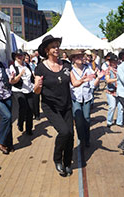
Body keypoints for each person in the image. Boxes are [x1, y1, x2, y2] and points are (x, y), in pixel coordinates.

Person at [34, 35, 74, 177]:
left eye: (57, 45)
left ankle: (68, 162)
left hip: (67, 105)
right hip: (50, 106)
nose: (57, 48)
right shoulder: (40, 68)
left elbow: (74, 82)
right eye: (53, 46)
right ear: (47, 50)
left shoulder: (66, 65)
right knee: (64, 132)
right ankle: (57, 159)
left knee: (70, 135)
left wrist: (86, 80)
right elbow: (36, 90)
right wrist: (37, 86)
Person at [69, 50, 103, 147]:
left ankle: (87, 139)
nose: (81, 58)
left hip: (87, 97)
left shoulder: (88, 68)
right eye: (78, 56)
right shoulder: (70, 70)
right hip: (75, 98)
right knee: (79, 121)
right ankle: (81, 139)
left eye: (81, 56)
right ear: (73, 59)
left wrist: (98, 78)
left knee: (87, 119)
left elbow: (92, 85)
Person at [9, 49, 35, 135]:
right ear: (15, 57)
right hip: (18, 89)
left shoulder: (27, 65)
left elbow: (31, 76)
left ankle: (29, 129)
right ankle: (20, 123)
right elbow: (13, 81)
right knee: (23, 106)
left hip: (29, 89)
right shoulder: (13, 67)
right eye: (18, 55)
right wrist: (20, 74)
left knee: (30, 109)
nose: (20, 57)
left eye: (21, 55)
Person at [105, 53, 124, 128]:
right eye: (113, 61)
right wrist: (117, 79)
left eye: (116, 61)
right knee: (112, 107)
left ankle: (119, 122)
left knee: (121, 107)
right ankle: (109, 121)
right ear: (110, 62)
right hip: (111, 91)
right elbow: (107, 80)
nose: (115, 63)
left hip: (119, 91)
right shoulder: (108, 70)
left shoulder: (119, 69)